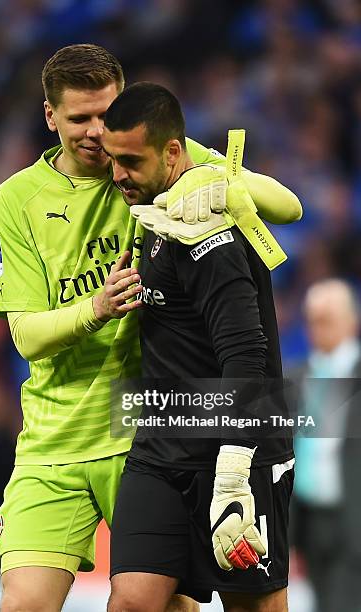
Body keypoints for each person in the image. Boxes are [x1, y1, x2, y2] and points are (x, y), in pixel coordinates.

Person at [0, 44, 301, 612]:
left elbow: (287, 206)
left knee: (163, 603)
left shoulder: (145, 162)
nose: (94, 133)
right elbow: (26, 337)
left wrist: (223, 187)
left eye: (105, 115)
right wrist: (96, 308)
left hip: (141, 430)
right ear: (50, 116)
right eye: (78, 119)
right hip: (54, 441)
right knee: (25, 603)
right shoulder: (17, 199)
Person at [101, 82, 296, 612]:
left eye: (130, 161)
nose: (117, 175)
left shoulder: (210, 229)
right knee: (133, 602)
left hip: (238, 454)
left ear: (172, 151)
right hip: (162, 446)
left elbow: (246, 358)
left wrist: (233, 478)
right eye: (112, 159)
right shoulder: (159, 208)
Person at [291, 279, 361, 612]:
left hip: (354, 517)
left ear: (352, 321)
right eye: (313, 320)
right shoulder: (301, 375)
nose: (318, 329)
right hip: (310, 522)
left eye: (327, 319)